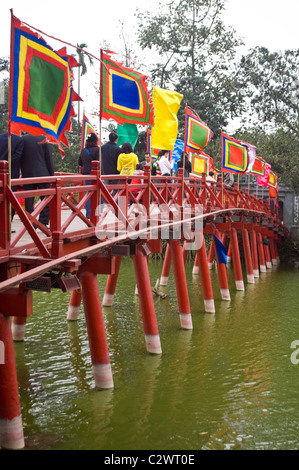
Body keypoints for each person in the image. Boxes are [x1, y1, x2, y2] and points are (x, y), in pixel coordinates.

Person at [21, 132, 54, 228]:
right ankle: (42, 222)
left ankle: (30, 221)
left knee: (28, 199)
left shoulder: (23, 139)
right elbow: (49, 158)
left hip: (27, 173)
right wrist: (51, 175)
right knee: (46, 199)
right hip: (43, 173)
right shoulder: (44, 137)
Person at [0, 132, 24, 221]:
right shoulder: (19, 140)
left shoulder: (0, 137)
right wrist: (7, 162)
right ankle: (8, 222)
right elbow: (18, 156)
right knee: (11, 198)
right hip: (12, 173)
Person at [78, 132, 99, 219]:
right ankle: (97, 212)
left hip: (86, 174)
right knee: (98, 193)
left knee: (88, 194)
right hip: (95, 175)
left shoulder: (83, 150)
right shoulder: (97, 150)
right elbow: (99, 163)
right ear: (95, 141)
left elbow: (80, 163)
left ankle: (88, 214)